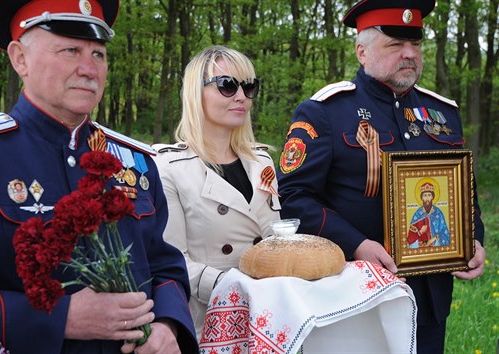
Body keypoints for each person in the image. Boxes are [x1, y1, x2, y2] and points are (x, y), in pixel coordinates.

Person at [0, 1, 197, 353]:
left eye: (99, 54)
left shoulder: (132, 163)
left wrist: (168, 324)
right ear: (20, 59)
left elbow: (163, 263)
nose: (90, 69)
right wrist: (61, 318)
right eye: (71, 50)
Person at [276, 0, 486, 353]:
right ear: (362, 51)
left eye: (415, 44)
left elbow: (464, 190)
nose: (409, 54)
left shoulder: (443, 114)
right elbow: (293, 198)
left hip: (429, 299)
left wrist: (473, 238)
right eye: (395, 44)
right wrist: (357, 245)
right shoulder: (326, 111)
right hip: (353, 295)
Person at [152, 45, 281, 340]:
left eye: (249, 87)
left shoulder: (261, 161)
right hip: (208, 323)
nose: (241, 97)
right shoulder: (168, 166)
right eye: (227, 85)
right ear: (196, 93)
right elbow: (171, 261)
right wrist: (233, 285)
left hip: (268, 322)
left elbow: (273, 240)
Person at [407, 180, 450, 248]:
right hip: (420, 248)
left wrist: (435, 238)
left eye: (429, 195)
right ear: (421, 198)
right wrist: (420, 231)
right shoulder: (418, 214)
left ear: (432, 197)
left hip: (436, 246)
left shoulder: (438, 213)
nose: (427, 198)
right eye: (425, 195)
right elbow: (410, 239)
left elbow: (445, 233)